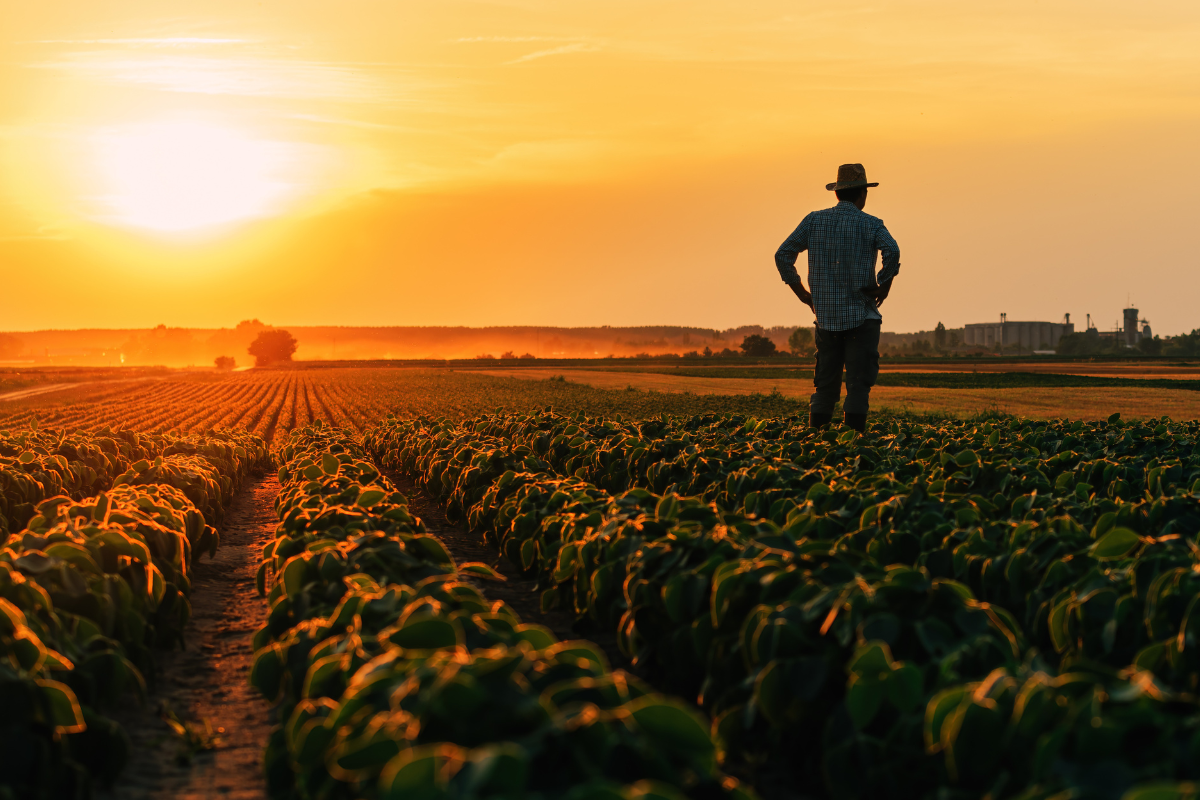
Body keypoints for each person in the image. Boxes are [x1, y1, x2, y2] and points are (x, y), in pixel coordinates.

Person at [775, 163, 900, 433]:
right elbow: (892, 251)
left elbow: (783, 255)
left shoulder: (813, 221)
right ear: (862, 195)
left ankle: (816, 442)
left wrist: (802, 294)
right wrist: (884, 285)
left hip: (826, 318)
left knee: (825, 385)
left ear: (837, 193)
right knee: (858, 384)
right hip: (862, 317)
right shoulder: (871, 224)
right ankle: (853, 443)